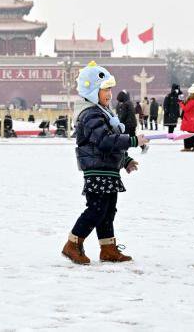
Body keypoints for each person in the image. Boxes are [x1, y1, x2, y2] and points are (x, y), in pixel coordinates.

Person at [61, 62, 147, 265]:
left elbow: (111, 143)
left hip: (108, 169)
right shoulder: (90, 114)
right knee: (96, 209)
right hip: (96, 170)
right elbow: (105, 141)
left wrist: (125, 160)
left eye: (110, 89)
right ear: (91, 91)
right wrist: (134, 140)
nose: (109, 94)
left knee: (108, 210)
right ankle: (72, 244)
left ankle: (107, 248)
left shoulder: (104, 113)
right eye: (104, 89)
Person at [181, 85, 194, 151]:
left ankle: (187, 147)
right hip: (192, 119)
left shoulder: (192, 101)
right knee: (193, 134)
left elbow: (185, 109)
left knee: (187, 133)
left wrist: (181, 103)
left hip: (188, 119)